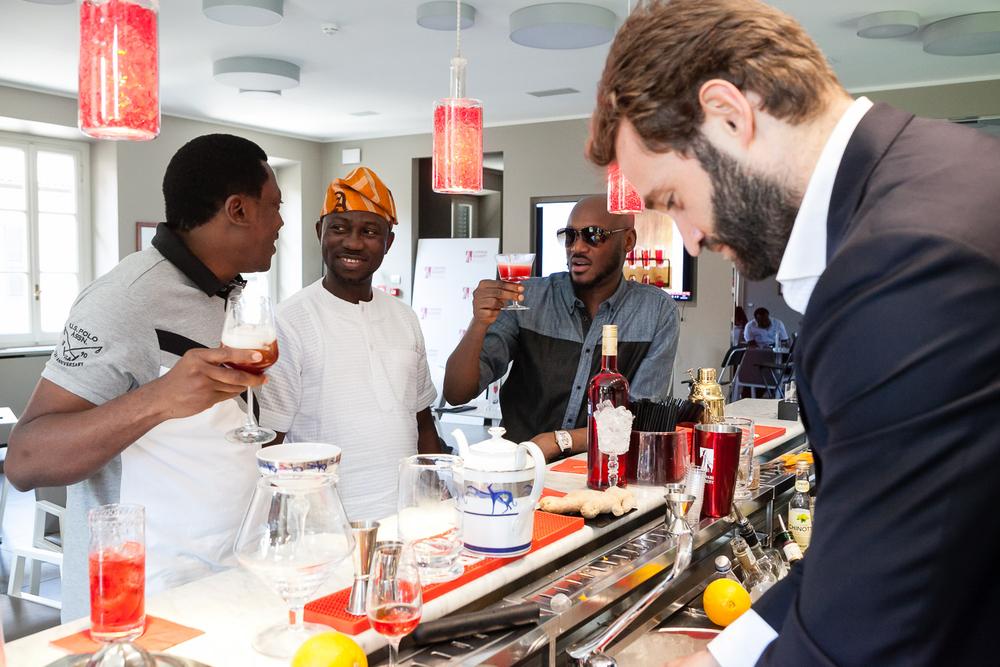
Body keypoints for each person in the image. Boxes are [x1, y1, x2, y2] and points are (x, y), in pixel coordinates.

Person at [588, 0, 1000, 665]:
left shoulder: (902, 263)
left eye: (672, 200)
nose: (689, 237)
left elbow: (861, 639)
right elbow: (855, 557)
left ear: (729, 113)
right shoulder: (930, 173)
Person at [6, 134, 284, 621]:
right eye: (275, 206)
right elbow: (26, 461)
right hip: (141, 605)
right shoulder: (125, 299)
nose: (281, 223)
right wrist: (158, 399)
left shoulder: (231, 295)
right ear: (238, 210)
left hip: (226, 583)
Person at [259, 167, 439, 521]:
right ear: (319, 232)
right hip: (321, 524)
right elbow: (270, 442)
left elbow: (422, 420)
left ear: (388, 241)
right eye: (338, 228)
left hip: (405, 518)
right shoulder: (288, 321)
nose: (353, 242)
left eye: (369, 231)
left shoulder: (405, 318)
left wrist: (437, 495)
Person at [443, 195, 679, 460]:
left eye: (593, 235)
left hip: (602, 476)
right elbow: (456, 393)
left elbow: (643, 419)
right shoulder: (527, 299)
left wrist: (561, 440)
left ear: (628, 241)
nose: (577, 247)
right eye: (570, 236)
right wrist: (478, 323)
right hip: (522, 473)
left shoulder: (656, 312)